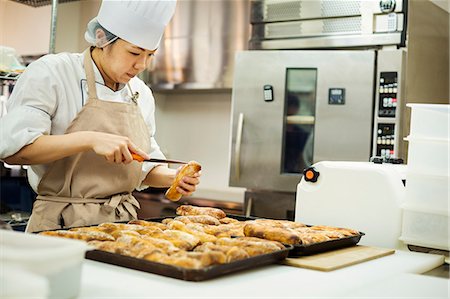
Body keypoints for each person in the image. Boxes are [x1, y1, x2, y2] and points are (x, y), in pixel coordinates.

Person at [0, 0, 201, 232]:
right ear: (102, 38)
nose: (141, 64)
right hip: (60, 225)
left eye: (150, 55)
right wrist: (91, 139)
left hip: (123, 227)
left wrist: (172, 177)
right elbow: (15, 151)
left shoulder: (140, 92)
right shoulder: (52, 73)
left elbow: (144, 164)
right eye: (134, 52)